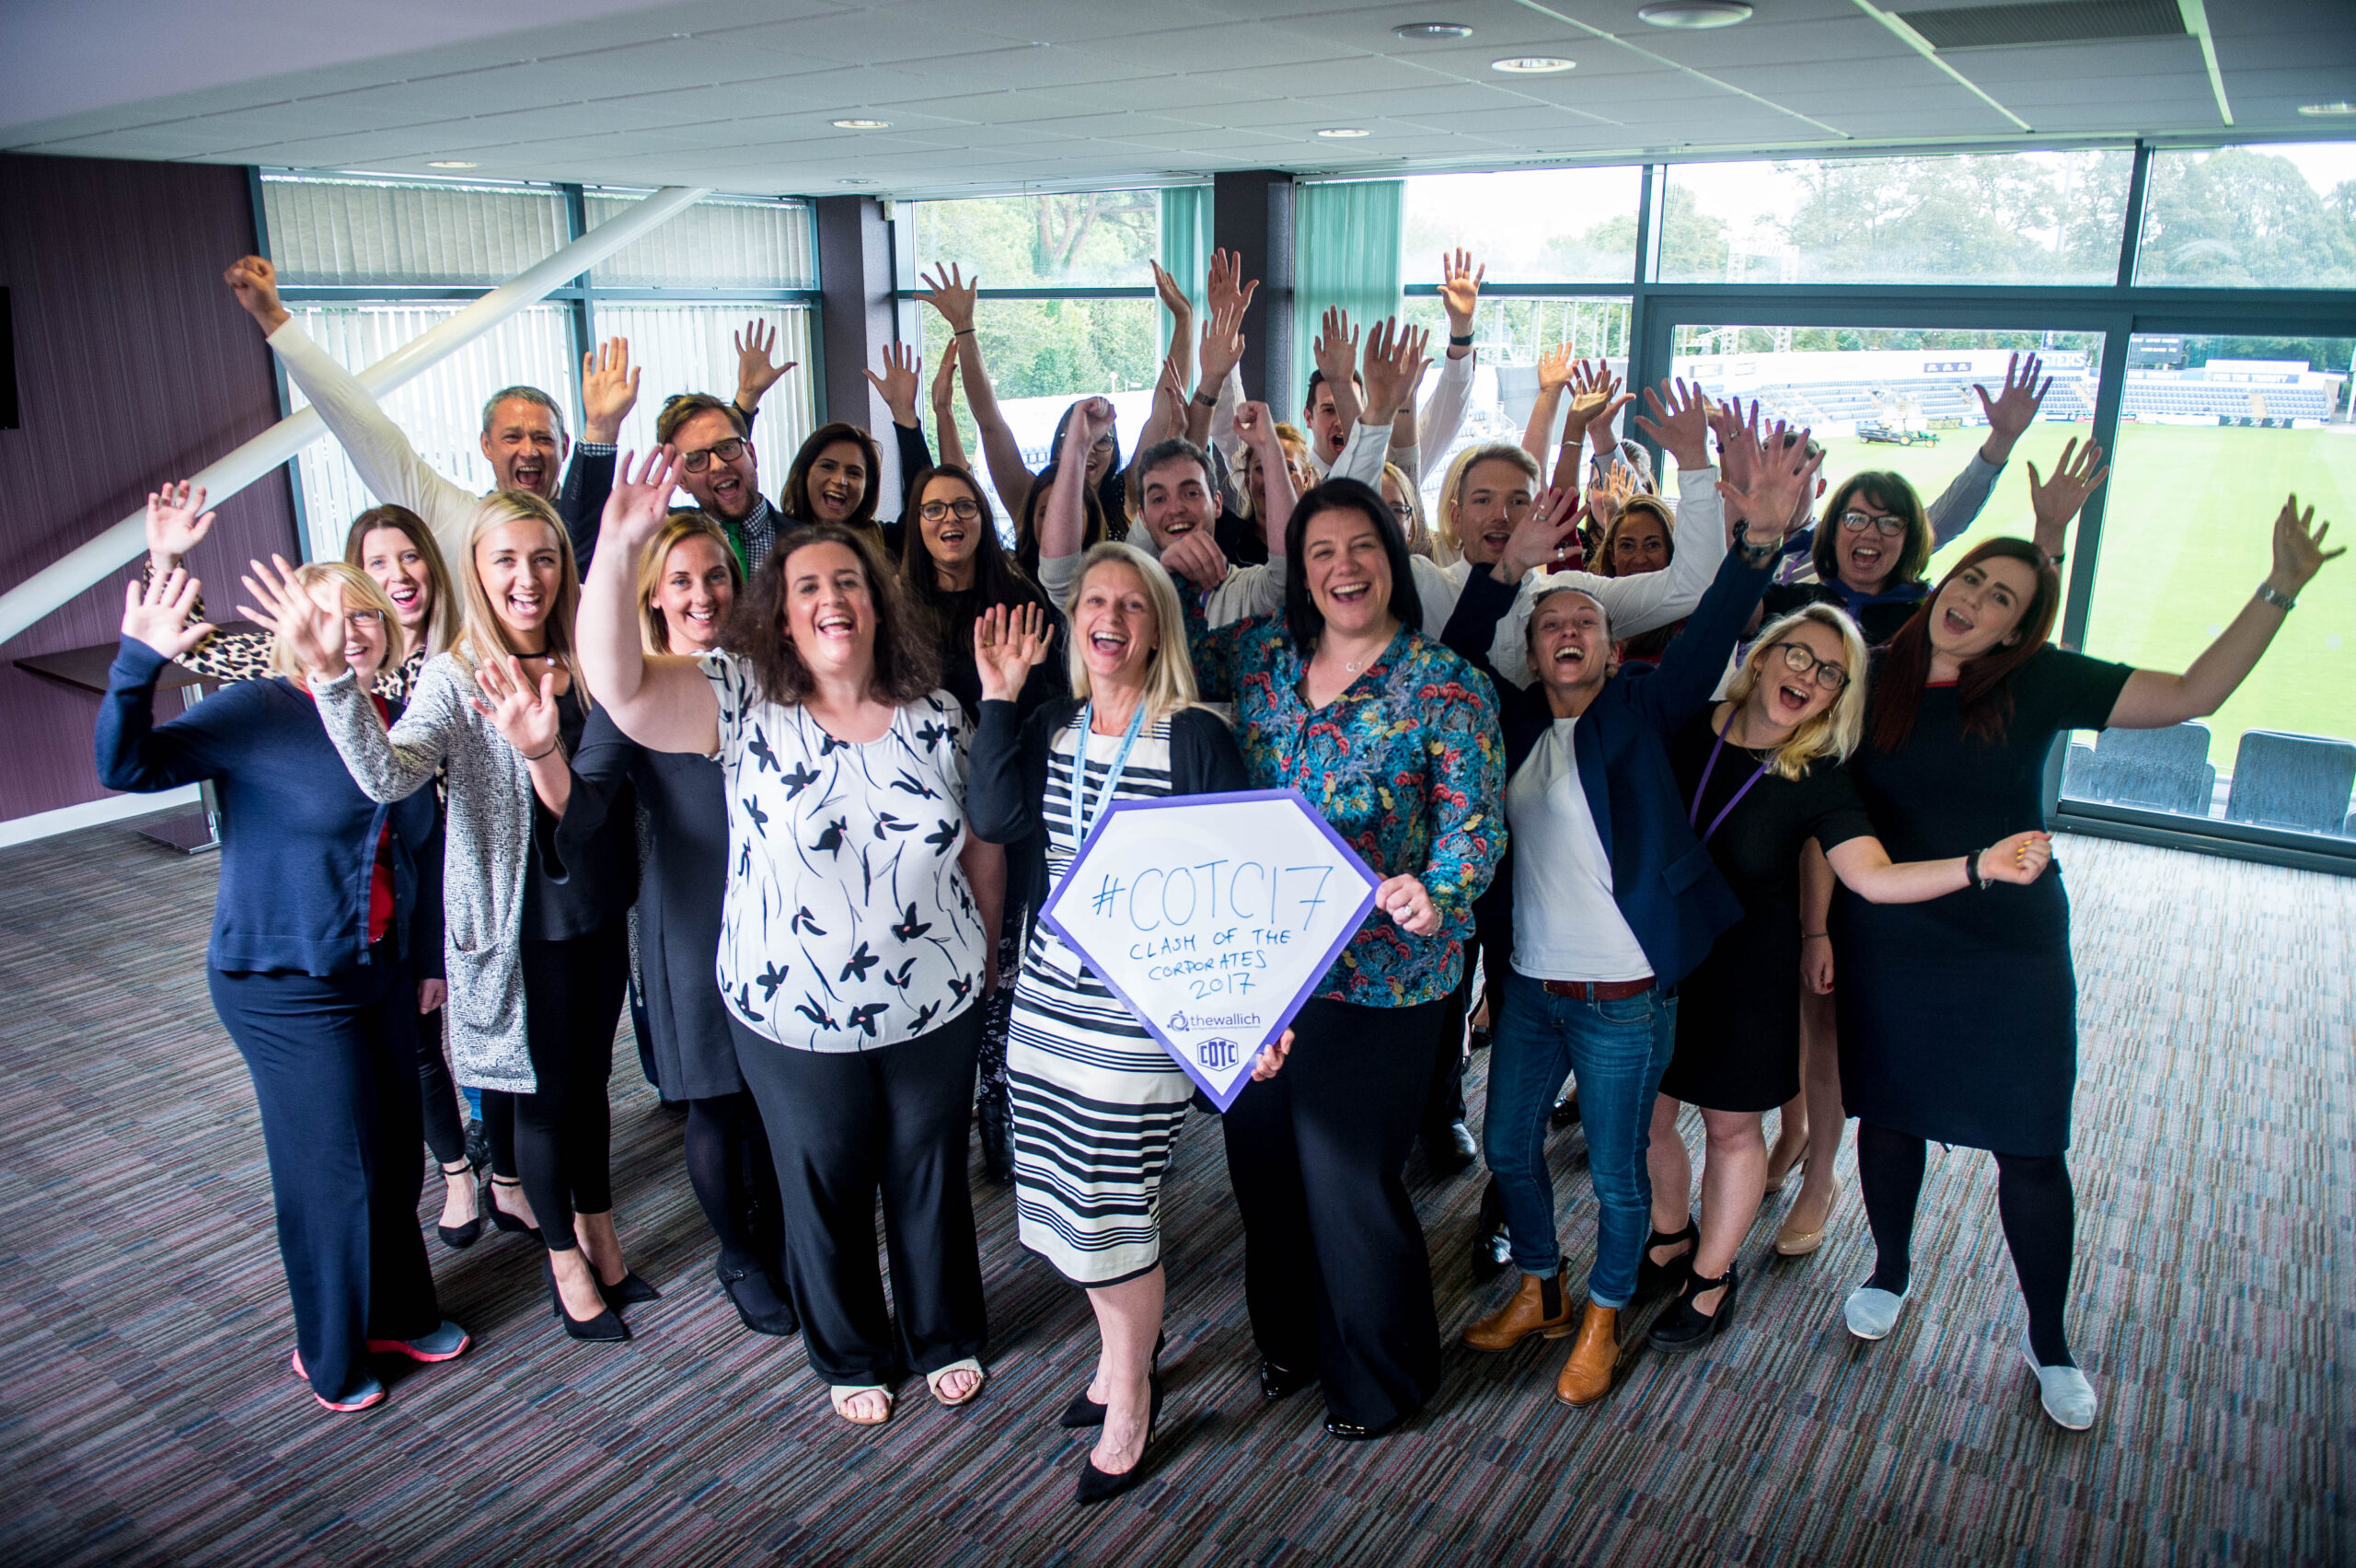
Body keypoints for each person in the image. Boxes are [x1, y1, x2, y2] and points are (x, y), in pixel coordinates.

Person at [1835, 496, 2340, 1433]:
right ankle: (1889, 1268)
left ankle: (2048, 1336)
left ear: (2018, 629)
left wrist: (2279, 589)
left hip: (2008, 945)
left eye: (1999, 600)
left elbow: (2192, 695)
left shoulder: (2039, 682)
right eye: (1969, 581)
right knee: (1890, 1118)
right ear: (1941, 582)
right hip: (1893, 936)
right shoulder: (1866, 673)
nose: (1972, 603)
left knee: (2030, 1147)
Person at [575, 453, 999, 1427]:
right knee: (823, 1182)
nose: (831, 599)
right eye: (807, 586)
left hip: (931, 997)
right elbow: (620, 685)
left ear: (879, 601)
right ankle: (851, 1351)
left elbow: (980, 839)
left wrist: (980, 954)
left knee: (927, 1173)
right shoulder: (737, 701)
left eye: (848, 580)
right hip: (789, 1010)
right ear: (780, 612)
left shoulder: (937, 717)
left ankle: (944, 1334)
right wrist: (617, 546)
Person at [1440, 423, 1820, 1409]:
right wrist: (1501, 577)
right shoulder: (1503, 719)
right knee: (1514, 1149)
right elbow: (1444, 659)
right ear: (1528, 649)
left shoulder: (1647, 709)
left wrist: (1757, 544)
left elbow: (1706, 635)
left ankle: (1606, 1311)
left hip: (1621, 994)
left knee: (1614, 1173)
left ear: (1613, 648)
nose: (1566, 632)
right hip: (1529, 987)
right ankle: (1543, 1287)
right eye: (1548, 624)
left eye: (1585, 623)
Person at [273, 490, 652, 1344]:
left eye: (544, 558)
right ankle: (564, 1260)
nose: (528, 578)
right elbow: (388, 775)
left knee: (591, 1085)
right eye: (506, 561)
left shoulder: (589, 655)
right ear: (477, 573)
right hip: (517, 923)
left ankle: (603, 1231)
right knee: (546, 1102)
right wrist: (336, 681)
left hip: (595, 905)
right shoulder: (455, 672)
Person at [1639, 604, 2055, 1355]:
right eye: (1799, 655)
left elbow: (1876, 876)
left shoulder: (1820, 776)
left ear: (1839, 697)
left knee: (1731, 1130)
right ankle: (1669, 1236)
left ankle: (1710, 1278)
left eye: (1832, 673)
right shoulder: (1685, 724)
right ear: (1761, 657)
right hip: (1658, 960)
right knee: (1647, 1115)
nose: (1811, 676)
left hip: (1742, 973)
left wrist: (1979, 866)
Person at [98, 559, 465, 1412]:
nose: (353, 630)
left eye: (367, 615)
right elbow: (125, 767)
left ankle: (399, 1313)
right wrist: (136, 664)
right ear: (294, 633)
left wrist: (424, 964)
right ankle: (329, 1353)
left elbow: (416, 852)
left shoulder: (389, 718)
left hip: (375, 969)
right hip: (282, 982)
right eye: (332, 617)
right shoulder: (258, 712)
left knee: (390, 1155)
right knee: (330, 1171)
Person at [965, 546, 1288, 1503]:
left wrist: (1253, 1016)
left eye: (1132, 605)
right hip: (1048, 1006)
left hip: (1140, 1016)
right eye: (1094, 601)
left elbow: (1242, 891)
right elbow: (991, 811)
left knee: (1113, 1207)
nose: (1109, 617)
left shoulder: (1193, 735)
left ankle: (1133, 1395)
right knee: (1066, 1201)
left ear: (1158, 627)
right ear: (1076, 624)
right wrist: (996, 696)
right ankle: (1115, 1362)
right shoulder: (1053, 725)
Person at [1189, 472, 1505, 1443]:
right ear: (1299, 571)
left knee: (1345, 1180)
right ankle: (1287, 1342)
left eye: (1360, 547)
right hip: (1261, 977)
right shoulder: (1258, 658)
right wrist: (1164, 574)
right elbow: (1142, 657)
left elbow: (1474, 828)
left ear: (1393, 559)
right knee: (1263, 1170)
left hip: (1385, 980)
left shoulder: (1447, 686)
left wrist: (1436, 889)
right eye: (1320, 551)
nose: (1341, 567)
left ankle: (1382, 1375)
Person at [1764, 433, 2110, 1256]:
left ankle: (1821, 1175)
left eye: (1888, 524)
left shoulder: (1922, 620)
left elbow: (2025, 646)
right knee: (1805, 1008)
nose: (1869, 535)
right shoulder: (1791, 593)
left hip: (1883, 859)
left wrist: (2042, 525)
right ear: (1833, 526)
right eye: (1855, 518)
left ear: (1914, 543)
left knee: (1844, 1024)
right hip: (1801, 829)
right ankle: (1795, 1135)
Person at [138, 485, 481, 1242]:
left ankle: (500, 1173)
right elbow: (192, 645)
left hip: (450, 880)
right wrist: (166, 559)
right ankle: (460, 1175)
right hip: (337, 925)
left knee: (475, 1045)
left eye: (406, 560)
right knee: (408, 1071)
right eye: (374, 565)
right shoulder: (300, 684)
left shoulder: (452, 656)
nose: (393, 577)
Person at [549, 513, 798, 1337]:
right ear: (653, 596)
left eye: (717, 576)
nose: (703, 595)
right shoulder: (641, 688)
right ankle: (740, 1254)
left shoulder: (776, 666)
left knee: (781, 1095)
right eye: (682, 581)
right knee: (719, 1103)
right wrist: (539, 754)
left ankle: (790, 1233)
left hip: (788, 909)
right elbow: (583, 807)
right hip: (693, 915)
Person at [221, 255, 640, 566]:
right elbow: (363, 427)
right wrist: (273, 317)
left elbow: (573, 539)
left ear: (565, 447)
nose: (529, 450)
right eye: (512, 436)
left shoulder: (604, 522)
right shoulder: (451, 517)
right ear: (486, 445)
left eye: (543, 438)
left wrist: (601, 431)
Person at [900, 459, 1059, 1184]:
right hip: (919, 815)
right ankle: (936, 1107)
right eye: (933, 509)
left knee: (1001, 955)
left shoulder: (1018, 596)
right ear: (916, 522)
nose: (950, 520)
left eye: (963, 506)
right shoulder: (896, 607)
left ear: (982, 516)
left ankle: (999, 1101)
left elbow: (1055, 703)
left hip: (1005, 802)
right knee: (930, 949)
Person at [778, 421, 890, 559]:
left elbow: (919, 493)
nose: (840, 481)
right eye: (827, 467)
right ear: (804, 473)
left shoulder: (883, 540)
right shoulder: (776, 534)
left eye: (854, 473)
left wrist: (904, 414)